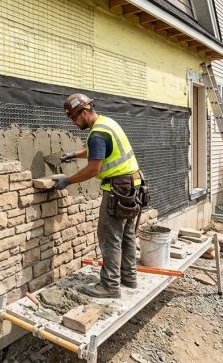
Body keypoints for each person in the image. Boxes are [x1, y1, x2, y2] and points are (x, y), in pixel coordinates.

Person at [53, 93, 144, 298]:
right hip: (133, 185)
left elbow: (94, 168)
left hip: (117, 189)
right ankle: (128, 277)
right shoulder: (106, 123)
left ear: (84, 112)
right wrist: (74, 154)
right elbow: (98, 150)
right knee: (127, 234)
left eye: (74, 119)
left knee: (109, 236)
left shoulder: (97, 134)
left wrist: (68, 180)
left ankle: (110, 285)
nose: (74, 124)